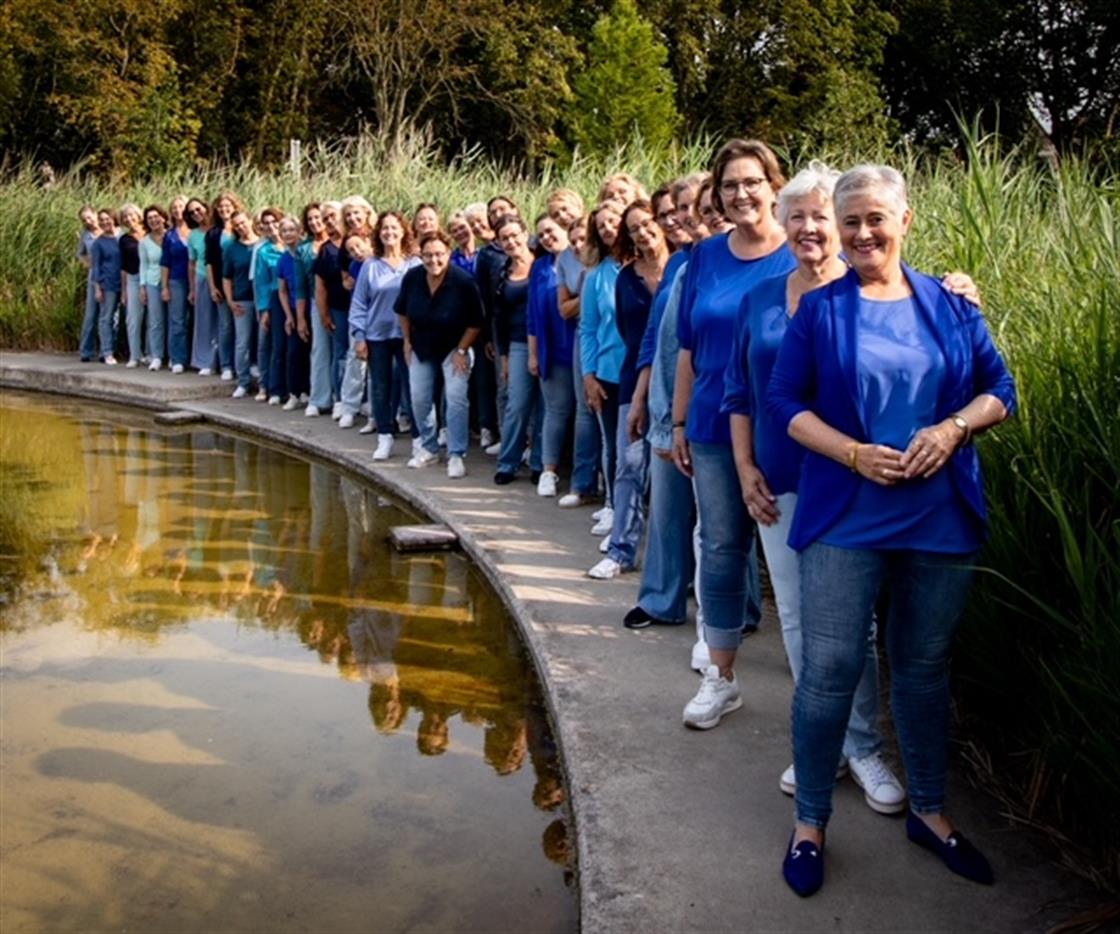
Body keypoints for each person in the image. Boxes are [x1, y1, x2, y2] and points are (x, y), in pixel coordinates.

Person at [767, 164, 1016, 897]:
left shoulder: (951, 304)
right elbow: (783, 400)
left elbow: (999, 389)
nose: (862, 233)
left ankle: (929, 812)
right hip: (847, 516)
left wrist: (953, 428)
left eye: (876, 217)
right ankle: (810, 823)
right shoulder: (821, 311)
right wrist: (850, 452)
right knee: (829, 671)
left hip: (940, 518)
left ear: (905, 219)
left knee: (923, 668)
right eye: (850, 221)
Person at [722, 161, 907, 815]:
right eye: (795, 215)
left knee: (855, 624)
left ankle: (862, 747)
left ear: (840, 225)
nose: (808, 227)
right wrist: (744, 468)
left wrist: (959, 290)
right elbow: (739, 392)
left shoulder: (872, 293)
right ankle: (820, 743)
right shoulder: (759, 301)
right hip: (779, 482)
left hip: (852, 485)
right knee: (798, 620)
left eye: (820, 216)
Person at [672, 139, 796, 730]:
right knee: (721, 549)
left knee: (794, 560)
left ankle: (818, 691)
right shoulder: (704, 257)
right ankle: (720, 677)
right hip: (712, 428)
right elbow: (687, 349)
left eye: (751, 182)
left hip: (787, 431)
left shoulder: (803, 250)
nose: (741, 194)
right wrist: (677, 422)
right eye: (729, 185)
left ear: (774, 186)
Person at [587, 199, 667, 579]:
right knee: (629, 466)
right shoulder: (626, 277)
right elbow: (626, 330)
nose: (643, 233)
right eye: (634, 229)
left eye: (648, 223)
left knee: (671, 479)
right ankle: (621, 550)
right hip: (633, 379)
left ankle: (675, 565)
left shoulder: (683, 267)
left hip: (676, 381)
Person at [395, 230, 484, 478]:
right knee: (419, 397)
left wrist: (462, 350)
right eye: (428, 255)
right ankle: (429, 447)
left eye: (439, 254)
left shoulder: (463, 282)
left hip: (455, 346)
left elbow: (476, 322)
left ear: (448, 253)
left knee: (455, 398)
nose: (433, 260)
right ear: (421, 256)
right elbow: (402, 310)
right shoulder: (413, 277)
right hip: (421, 345)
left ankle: (456, 453)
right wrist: (407, 341)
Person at [350, 211, 421, 460]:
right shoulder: (370, 266)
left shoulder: (415, 264)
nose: (389, 232)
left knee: (413, 387)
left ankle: (419, 439)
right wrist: (359, 336)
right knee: (380, 388)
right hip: (377, 336)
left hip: (407, 337)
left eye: (394, 228)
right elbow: (359, 303)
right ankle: (385, 435)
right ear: (378, 234)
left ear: (403, 231)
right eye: (385, 229)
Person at [579, 201, 625, 536]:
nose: (608, 229)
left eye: (613, 221)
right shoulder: (597, 276)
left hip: (646, 371)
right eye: (601, 226)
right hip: (609, 371)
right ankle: (613, 505)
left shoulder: (648, 266)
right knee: (613, 444)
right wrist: (589, 374)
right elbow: (588, 328)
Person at [527, 214, 575, 497]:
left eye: (550, 231)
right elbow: (532, 313)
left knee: (585, 416)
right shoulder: (541, 266)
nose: (546, 237)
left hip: (581, 350)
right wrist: (533, 353)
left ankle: (587, 474)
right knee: (555, 411)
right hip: (551, 351)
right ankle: (548, 470)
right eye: (541, 234)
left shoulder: (581, 259)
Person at [492, 215, 543, 484]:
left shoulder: (544, 263)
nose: (511, 242)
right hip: (518, 343)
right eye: (504, 238)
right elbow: (499, 317)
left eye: (514, 235)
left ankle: (539, 462)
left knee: (545, 407)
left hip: (548, 342)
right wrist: (504, 356)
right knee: (517, 404)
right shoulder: (503, 272)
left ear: (525, 234)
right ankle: (508, 462)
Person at [556, 215, 602, 508]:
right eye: (572, 241)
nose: (577, 245)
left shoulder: (606, 267)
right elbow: (565, 309)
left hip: (611, 339)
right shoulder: (573, 266)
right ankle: (583, 483)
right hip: (584, 335)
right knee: (584, 410)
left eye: (582, 239)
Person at [313, 201, 349, 415]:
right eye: (325, 218)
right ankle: (340, 399)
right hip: (338, 307)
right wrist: (324, 313)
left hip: (363, 309)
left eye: (332, 216)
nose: (329, 221)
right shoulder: (326, 250)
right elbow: (320, 286)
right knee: (341, 353)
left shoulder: (359, 242)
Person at [271, 215, 310, 409]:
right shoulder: (283, 260)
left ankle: (307, 390)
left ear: (299, 231)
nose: (288, 234)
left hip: (312, 308)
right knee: (294, 352)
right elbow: (282, 290)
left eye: (291, 230)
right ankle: (294, 392)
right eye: (284, 231)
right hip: (294, 309)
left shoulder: (307, 252)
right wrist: (288, 315)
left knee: (311, 351)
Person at [298, 202, 333, 416]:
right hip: (315, 302)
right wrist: (300, 318)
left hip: (339, 302)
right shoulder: (304, 249)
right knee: (319, 350)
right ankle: (319, 398)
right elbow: (300, 286)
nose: (314, 222)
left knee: (341, 353)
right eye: (310, 219)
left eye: (317, 217)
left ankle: (341, 398)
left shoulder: (340, 242)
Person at [204, 191, 242, 381]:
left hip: (242, 285)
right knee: (226, 326)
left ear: (235, 206)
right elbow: (209, 262)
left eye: (227, 205)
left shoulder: (241, 227)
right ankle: (226, 365)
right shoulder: (213, 233)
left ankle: (244, 363)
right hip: (221, 283)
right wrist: (212, 287)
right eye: (220, 206)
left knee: (243, 327)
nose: (224, 209)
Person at [222, 210, 260, 398]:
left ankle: (263, 381)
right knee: (242, 342)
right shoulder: (232, 248)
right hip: (242, 299)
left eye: (243, 222)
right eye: (236, 225)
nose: (240, 227)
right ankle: (243, 381)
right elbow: (226, 277)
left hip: (262, 299)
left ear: (250, 221)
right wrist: (230, 300)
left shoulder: (262, 244)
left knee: (262, 342)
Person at [253, 207, 285, 402]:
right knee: (271, 344)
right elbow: (262, 283)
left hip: (295, 297)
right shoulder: (263, 251)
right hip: (274, 298)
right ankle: (269, 386)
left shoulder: (294, 245)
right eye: (266, 223)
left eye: (274, 222)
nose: (271, 226)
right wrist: (264, 310)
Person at [186, 197, 217, 375]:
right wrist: (192, 289)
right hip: (202, 277)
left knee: (223, 322)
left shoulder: (218, 228)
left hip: (222, 278)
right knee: (204, 320)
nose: (196, 213)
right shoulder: (193, 235)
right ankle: (205, 361)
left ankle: (222, 360)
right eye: (192, 212)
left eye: (198, 209)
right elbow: (191, 263)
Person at [161, 195, 192, 373]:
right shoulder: (169, 235)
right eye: (174, 207)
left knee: (197, 320)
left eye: (181, 206)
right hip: (176, 280)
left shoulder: (197, 231)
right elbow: (165, 262)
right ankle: (178, 358)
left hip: (197, 280)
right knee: (177, 320)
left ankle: (198, 358)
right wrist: (165, 287)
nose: (177, 210)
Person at [89, 208, 122, 365]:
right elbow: (95, 267)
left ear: (114, 218)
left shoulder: (122, 237)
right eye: (101, 220)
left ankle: (115, 349)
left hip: (126, 282)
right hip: (107, 283)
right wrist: (97, 288)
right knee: (106, 318)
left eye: (107, 218)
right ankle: (107, 352)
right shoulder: (98, 243)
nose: (104, 222)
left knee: (120, 319)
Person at [139, 205, 169, 370]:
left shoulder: (171, 236)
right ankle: (156, 355)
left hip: (171, 281)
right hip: (153, 282)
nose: (153, 220)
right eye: (149, 218)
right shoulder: (144, 242)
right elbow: (143, 265)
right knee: (156, 321)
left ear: (163, 217)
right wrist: (142, 287)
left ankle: (173, 356)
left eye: (156, 216)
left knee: (174, 320)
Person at [118, 203, 145, 367]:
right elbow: (123, 266)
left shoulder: (149, 233)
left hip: (152, 278)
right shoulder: (124, 240)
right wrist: (124, 291)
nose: (129, 219)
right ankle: (135, 355)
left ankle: (152, 354)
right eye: (125, 217)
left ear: (138, 215)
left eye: (131, 215)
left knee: (154, 319)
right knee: (133, 318)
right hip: (133, 278)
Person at [76, 205, 101, 361]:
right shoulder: (86, 235)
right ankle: (86, 351)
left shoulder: (109, 228)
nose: (88, 221)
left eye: (89, 217)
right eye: (84, 220)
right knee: (90, 314)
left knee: (111, 316)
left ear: (96, 214)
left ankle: (107, 351)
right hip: (94, 275)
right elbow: (80, 253)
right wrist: (87, 263)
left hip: (111, 274)